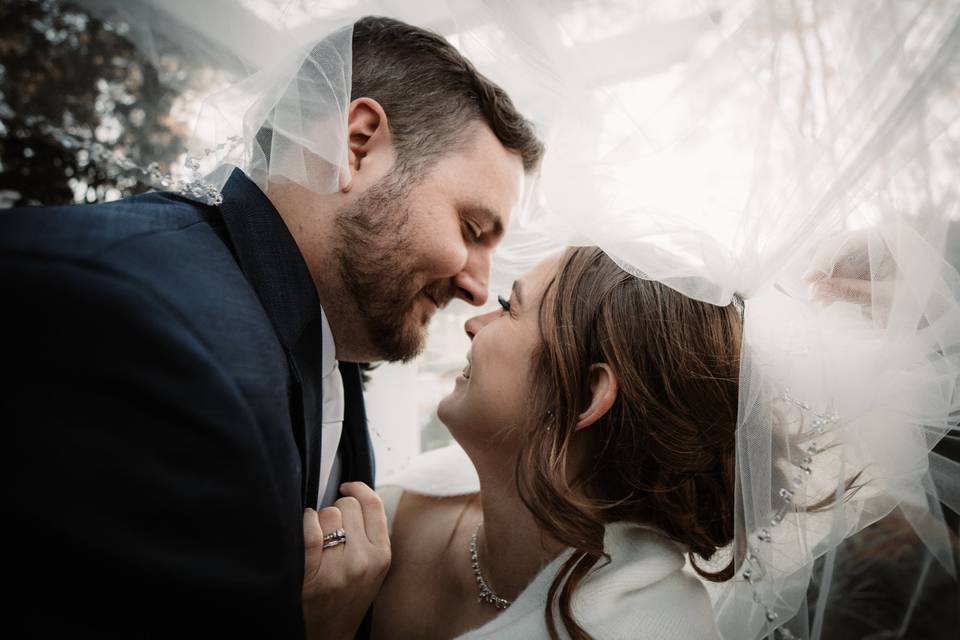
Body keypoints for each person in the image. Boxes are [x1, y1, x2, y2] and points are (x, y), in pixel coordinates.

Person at [4, 15, 542, 639]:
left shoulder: (317, 334)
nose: (478, 284)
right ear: (358, 145)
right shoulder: (136, 319)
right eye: (472, 230)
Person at [358, 247, 741, 639]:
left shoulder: (650, 630)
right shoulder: (397, 509)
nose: (473, 323)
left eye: (509, 307)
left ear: (586, 396)